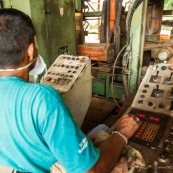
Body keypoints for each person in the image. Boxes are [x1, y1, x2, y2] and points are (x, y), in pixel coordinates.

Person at [0, 8, 140, 173]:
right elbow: (91, 171)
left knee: (100, 128)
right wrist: (122, 134)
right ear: (31, 51)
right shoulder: (41, 98)